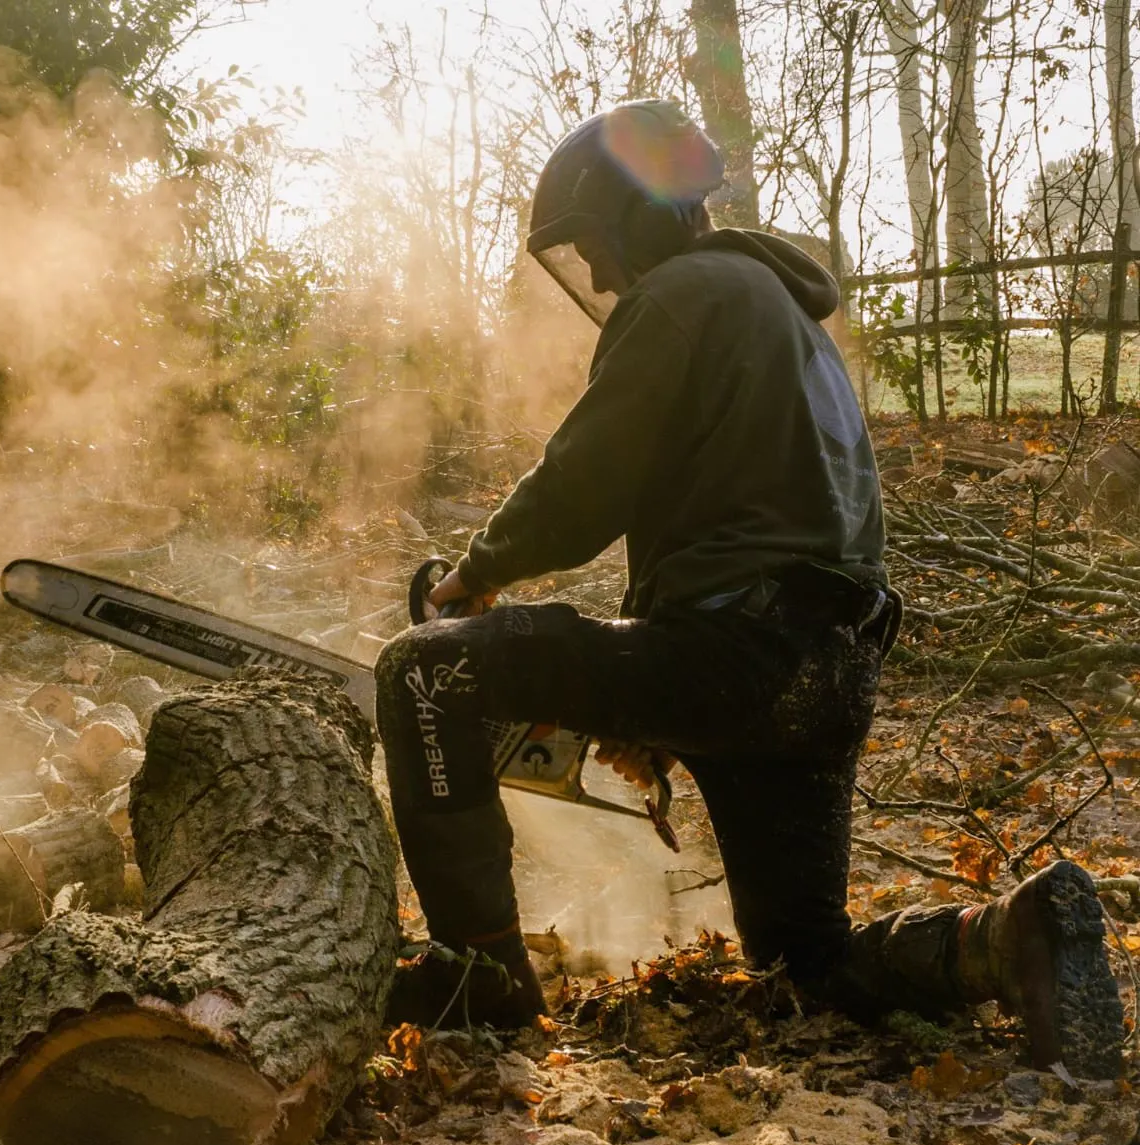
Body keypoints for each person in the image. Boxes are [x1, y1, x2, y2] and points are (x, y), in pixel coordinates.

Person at [374, 100, 1125, 1079]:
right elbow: (743, 524)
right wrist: (653, 682)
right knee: (804, 962)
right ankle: (1008, 935)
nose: (596, 275)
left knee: (423, 673)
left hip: (739, 654)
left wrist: (474, 575)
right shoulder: (780, 317)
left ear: (641, 216)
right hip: (827, 670)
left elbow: (584, 482)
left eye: (594, 246)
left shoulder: (685, 293)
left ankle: (481, 976)